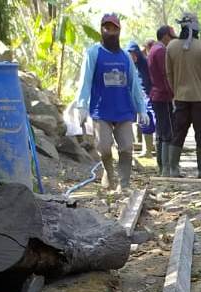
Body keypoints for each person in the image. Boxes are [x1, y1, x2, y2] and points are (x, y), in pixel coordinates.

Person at [73, 13, 148, 191]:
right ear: (101, 30)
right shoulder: (93, 53)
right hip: (102, 111)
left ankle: (124, 184)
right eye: (107, 28)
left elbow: (134, 85)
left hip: (124, 110)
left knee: (127, 148)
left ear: (119, 31)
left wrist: (141, 109)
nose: (110, 31)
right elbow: (85, 81)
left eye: (114, 28)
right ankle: (109, 174)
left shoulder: (125, 57)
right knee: (104, 147)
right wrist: (82, 105)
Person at [165, 12, 201, 179]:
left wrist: (176, 91)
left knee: (178, 133)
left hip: (181, 98)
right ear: (196, 27)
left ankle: (173, 169)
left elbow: (169, 74)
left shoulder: (171, 47)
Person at [148, 25, 178, 176]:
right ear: (166, 36)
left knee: (161, 131)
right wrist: (173, 93)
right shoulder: (161, 51)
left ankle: (162, 167)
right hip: (163, 96)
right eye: (171, 38)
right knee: (168, 132)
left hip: (157, 95)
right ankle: (166, 168)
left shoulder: (154, 49)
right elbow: (166, 74)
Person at [127, 41, 155, 158]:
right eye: (130, 54)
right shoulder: (130, 65)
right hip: (140, 97)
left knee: (150, 121)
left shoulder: (145, 63)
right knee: (142, 122)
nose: (132, 57)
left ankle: (150, 150)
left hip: (149, 96)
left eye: (133, 54)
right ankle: (146, 150)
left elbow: (150, 80)